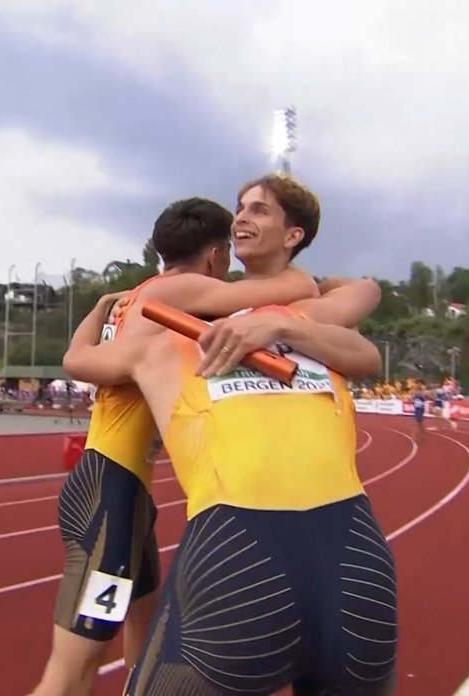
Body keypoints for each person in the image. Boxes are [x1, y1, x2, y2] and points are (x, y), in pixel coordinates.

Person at [32, 195, 377, 696]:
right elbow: (295, 287)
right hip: (110, 498)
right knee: (69, 674)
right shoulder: (184, 290)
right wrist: (336, 289)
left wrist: (99, 306)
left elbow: (76, 359)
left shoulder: (136, 296)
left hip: (121, 490)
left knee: (148, 637)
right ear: (215, 256)